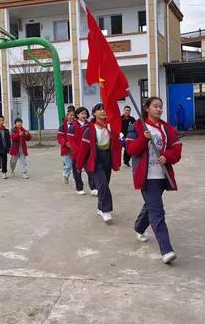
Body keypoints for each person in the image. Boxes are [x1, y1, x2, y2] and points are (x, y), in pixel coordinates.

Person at [126, 96, 183, 265]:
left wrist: (167, 156)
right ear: (147, 108)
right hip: (146, 175)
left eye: (161, 106)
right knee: (157, 212)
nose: (159, 109)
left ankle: (139, 227)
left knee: (151, 205)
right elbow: (131, 150)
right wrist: (143, 138)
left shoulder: (168, 129)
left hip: (162, 175)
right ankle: (166, 250)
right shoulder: (136, 126)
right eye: (155, 106)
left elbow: (176, 150)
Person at [76, 103, 122, 223]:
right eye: (99, 110)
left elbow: (117, 142)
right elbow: (83, 150)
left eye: (104, 109)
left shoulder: (110, 127)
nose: (103, 111)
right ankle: (106, 211)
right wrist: (79, 166)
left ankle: (100, 207)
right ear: (94, 113)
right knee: (103, 185)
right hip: (94, 159)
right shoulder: (90, 129)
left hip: (107, 157)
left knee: (105, 184)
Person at [69, 107, 96, 196]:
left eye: (85, 113)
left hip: (89, 153)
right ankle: (79, 187)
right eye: (82, 113)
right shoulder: (72, 126)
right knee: (77, 171)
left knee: (91, 171)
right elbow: (71, 141)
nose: (84, 115)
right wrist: (79, 150)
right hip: (77, 153)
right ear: (77, 115)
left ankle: (93, 188)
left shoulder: (90, 125)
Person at [57, 110, 76, 185]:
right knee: (69, 165)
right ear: (67, 116)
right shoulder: (62, 126)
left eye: (73, 115)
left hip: (75, 149)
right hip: (65, 150)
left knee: (75, 166)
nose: (72, 117)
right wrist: (65, 143)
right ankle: (65, 175)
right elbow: (59, 137)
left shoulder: (76, 125)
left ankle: (76, 181)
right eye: (70, 115)